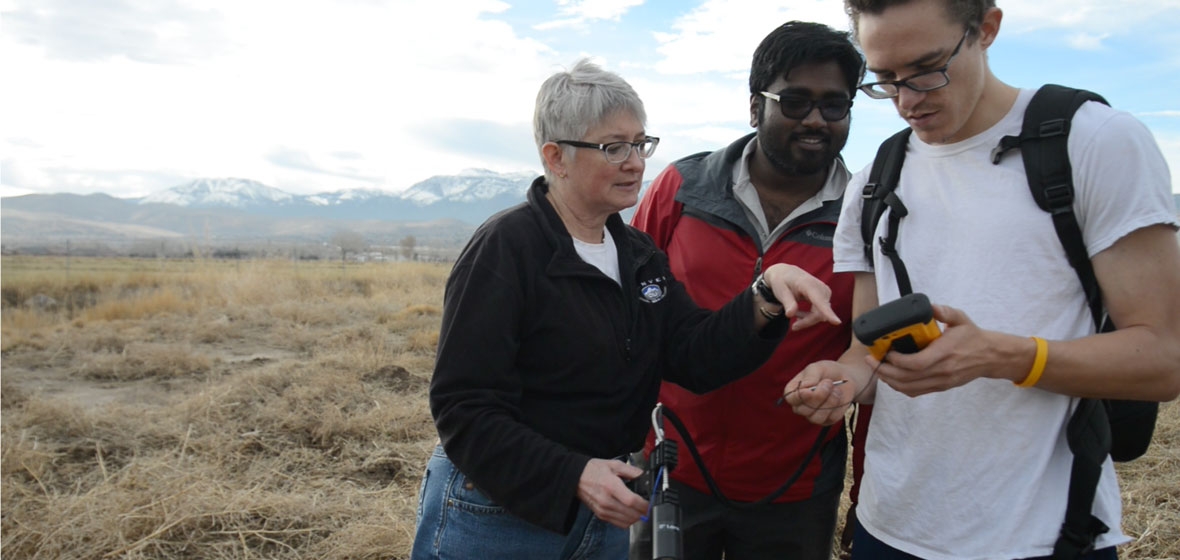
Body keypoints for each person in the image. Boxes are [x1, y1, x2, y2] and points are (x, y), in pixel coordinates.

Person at [784, 1, 1180, 559]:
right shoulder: (877, 179)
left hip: (1046, 537)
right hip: (890, 528)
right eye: (886, 80)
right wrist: (842, 381)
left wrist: (1002, 356)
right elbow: (866, 355)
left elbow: (1163, 360)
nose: (907, 101)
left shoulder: (1094, 142)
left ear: (987, 29)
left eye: (926, 69)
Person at [410, 58, 842, 560]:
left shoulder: (637, 255)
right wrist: (571, 474)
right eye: (613, 147)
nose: (636, 162)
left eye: (640, 144)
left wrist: (763, 298)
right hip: (500, 515)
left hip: (607, 503)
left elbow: (693, 355)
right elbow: (463, 406)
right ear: (557, 157)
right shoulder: (508, 249)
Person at [630, 21, 864, 560]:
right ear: (756, 107)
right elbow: (627, 320)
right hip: (670, 471)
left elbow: (870, 355)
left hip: (795, 490)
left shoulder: (865, 217)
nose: (815, 119)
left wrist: (865, 489)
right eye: (796, 100)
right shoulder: (681, 190)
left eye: (834, 105)